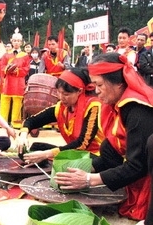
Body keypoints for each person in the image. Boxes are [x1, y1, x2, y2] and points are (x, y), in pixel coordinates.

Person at [54, 53, 153, 221]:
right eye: (93, 84)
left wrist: (88, 179)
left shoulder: (138, 111)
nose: (96, 90)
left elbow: (138, 166)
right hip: (132, 169)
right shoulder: (115, 107)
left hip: (146, 179)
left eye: (99, 84)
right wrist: (81, 169)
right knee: (107, 146)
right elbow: (111, 153)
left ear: (118, 83)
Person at [17, 67, 104, 164]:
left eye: (66, 94)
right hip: (72, 153)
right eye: (58, 92)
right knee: (33, 149)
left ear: (79, 91)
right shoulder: (61, 108)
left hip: (94, 155)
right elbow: (32, 121)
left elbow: (82, 144)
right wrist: (23, 135)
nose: (61, 98)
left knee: (76, 162)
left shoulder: (93, 106)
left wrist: (46, 154)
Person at [0, 28, 30, 129]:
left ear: (21, 42)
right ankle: (2, 122)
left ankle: (15, 122)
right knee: (4, 101)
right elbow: (1, 66)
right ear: (11, 41)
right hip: (7, 81)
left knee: (17, 102)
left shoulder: (25, 56)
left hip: (19, 82)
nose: (16, 43)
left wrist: (16, 71)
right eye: (14, 40)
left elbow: (26, 69)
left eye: (18, 41)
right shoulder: (6, 55)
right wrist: (7, 69)